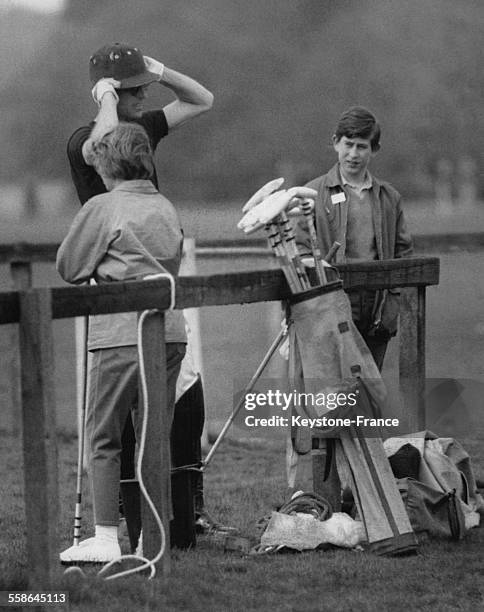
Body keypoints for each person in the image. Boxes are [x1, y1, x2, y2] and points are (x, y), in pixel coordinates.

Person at [67, 42, 221, 541]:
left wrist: (161, 68)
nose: (145, 95)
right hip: (112, 282)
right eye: (136, 89)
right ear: (112, 93)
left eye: (144, 87)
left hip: (145, 286)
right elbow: (104, 153)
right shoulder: (84, 142)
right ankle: (129, 526)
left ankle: (153, 527)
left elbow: (202, 100)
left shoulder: (142, 127)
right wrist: (108, 101)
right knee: (121, 429)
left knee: (138, 426)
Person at [58, 122, 187, 563]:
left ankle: (106, 537)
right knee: (154, 438)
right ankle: (155, 539)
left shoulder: (102, 206)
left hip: (118, 334)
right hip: (170, 332)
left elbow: (70, 267)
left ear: (106, 164)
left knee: (104, 437)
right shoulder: (166, 205)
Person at [296, 106, 413, 370]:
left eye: (362, 146)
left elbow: (404, 255)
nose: (353, 154)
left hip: (377, 306)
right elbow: (300, 251)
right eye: (348, 144)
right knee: (334, 395)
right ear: (335, 142)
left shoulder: (389, 197)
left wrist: (392, 305)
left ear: (374, 149)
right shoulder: (312, 193)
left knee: (371, 390)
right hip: (331, 304)